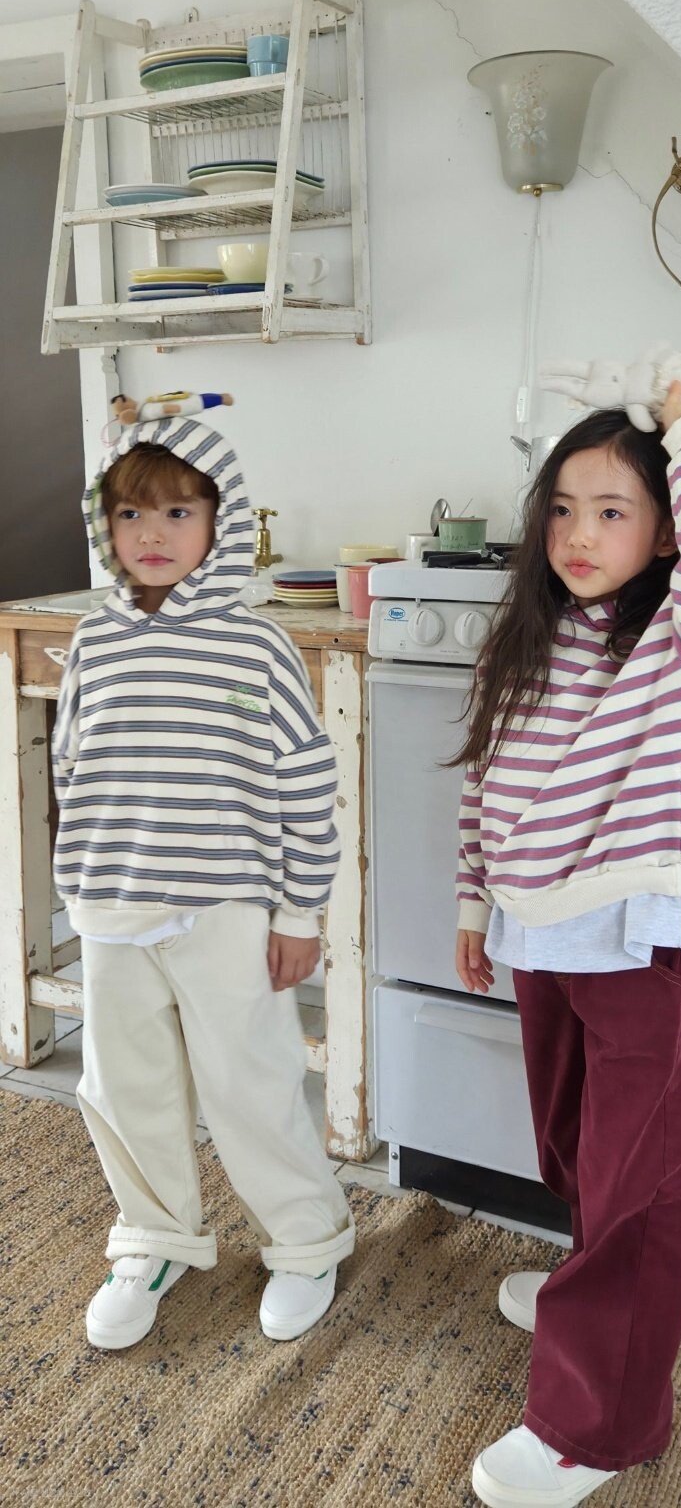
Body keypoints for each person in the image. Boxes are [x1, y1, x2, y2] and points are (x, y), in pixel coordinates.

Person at [455, 381, 681, 1508]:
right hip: (540, 933)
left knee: (642, 1186)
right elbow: (483, 790)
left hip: (638, 939)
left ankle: (595, 1427)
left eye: (610, 512)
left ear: (669, 531)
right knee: (575, 1150)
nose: (578, 535)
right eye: (561, 509)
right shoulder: (525, 643)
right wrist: (474, 908)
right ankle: (586, 1294)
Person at [52, 408, 354, 1351]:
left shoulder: (256, 647)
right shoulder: (93, 641)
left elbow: (307, 784)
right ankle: (155, 1237)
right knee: (124, 1087)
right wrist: (83, 883)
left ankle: (306, 1239)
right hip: (113, 905)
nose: (153, 533)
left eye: (179, 512)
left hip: (226, 909)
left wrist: (299, 911)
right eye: (131, 513)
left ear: (221, 524)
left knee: (250, 1084)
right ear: (104, 524)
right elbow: (72, 767)